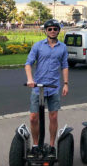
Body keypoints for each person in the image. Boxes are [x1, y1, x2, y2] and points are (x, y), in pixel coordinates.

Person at [25, 19, 69, 158]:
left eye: (55, 29)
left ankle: (51, 146)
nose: (52, 31)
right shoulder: (38, 46)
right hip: (38, 88)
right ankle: (36, 145)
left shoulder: (62, 47)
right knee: (33, 118)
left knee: (53, 117)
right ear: (45, 31)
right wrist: (30, 79)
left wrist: (66, 83)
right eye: (49, 29)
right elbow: (28, 64)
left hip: (53, 87)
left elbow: (65, 65)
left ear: (58, 31)